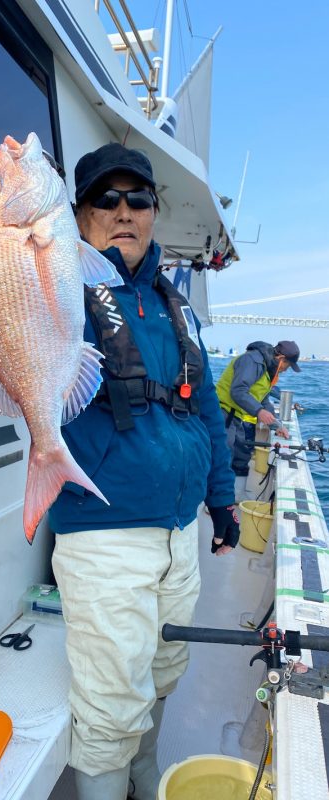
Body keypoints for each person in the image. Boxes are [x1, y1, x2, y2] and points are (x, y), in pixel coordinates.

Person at [48, 142, 239, 800]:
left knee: (164, 665)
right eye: (106, 199)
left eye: (138, 199)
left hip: (179, 529)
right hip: (105, 533)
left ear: (154, 212)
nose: (123, 211)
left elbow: (205, 407)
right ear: (78, 215)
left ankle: (141, 771)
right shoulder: (60, 291)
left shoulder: (174, 305)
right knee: (110, 700)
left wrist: (222, 500)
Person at [215, 340, 301, 479]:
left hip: (236, 416)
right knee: (223, 457)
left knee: (241, 456)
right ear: (281, 358)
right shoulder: (252, 361)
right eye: (288, 365)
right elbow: (238, 391)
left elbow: (263, 400)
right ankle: (219, 492)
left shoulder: (267, 369)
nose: (286, 370)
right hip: (222, 413)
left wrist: (276, 426)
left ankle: (234, 489)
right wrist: (259, 411)